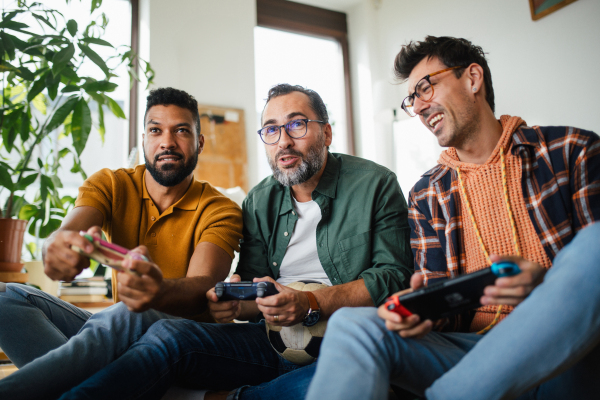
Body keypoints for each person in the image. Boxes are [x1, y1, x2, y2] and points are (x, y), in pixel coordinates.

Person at [55, 83, 414, 400]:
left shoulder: (375, 184)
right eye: (271, 130)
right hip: (268, 342)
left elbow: (394, 277)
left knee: (346, 384)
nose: (284, 140)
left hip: (344, 342)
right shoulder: (259, 200)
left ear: (327, 133)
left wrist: (308, 302)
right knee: (168, 335)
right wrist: (229, 305)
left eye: (297, 125)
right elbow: (251, 288)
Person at [305, 36, 600, 400]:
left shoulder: (572, 151)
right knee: (353, 325)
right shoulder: (426, 193)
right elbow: (447, 311)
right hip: (472, 353)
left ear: (473, 78)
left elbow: (592, 278)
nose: (420, 107)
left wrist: (546, 284)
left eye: (426, 87)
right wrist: (423, 312)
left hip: (567, 351)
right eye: (412, 98)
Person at [0, 87, 243, 399]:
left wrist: (155, 292)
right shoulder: (111, 184)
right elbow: (67, 233)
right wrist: (56, 247)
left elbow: (202, 287)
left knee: (130, 312)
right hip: (118, 335)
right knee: (6, 297)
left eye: (181, 131)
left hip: (185, 344)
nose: (167, 142)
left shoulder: (220, 208)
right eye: (155, 130)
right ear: (143, 140)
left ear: (199, 142)